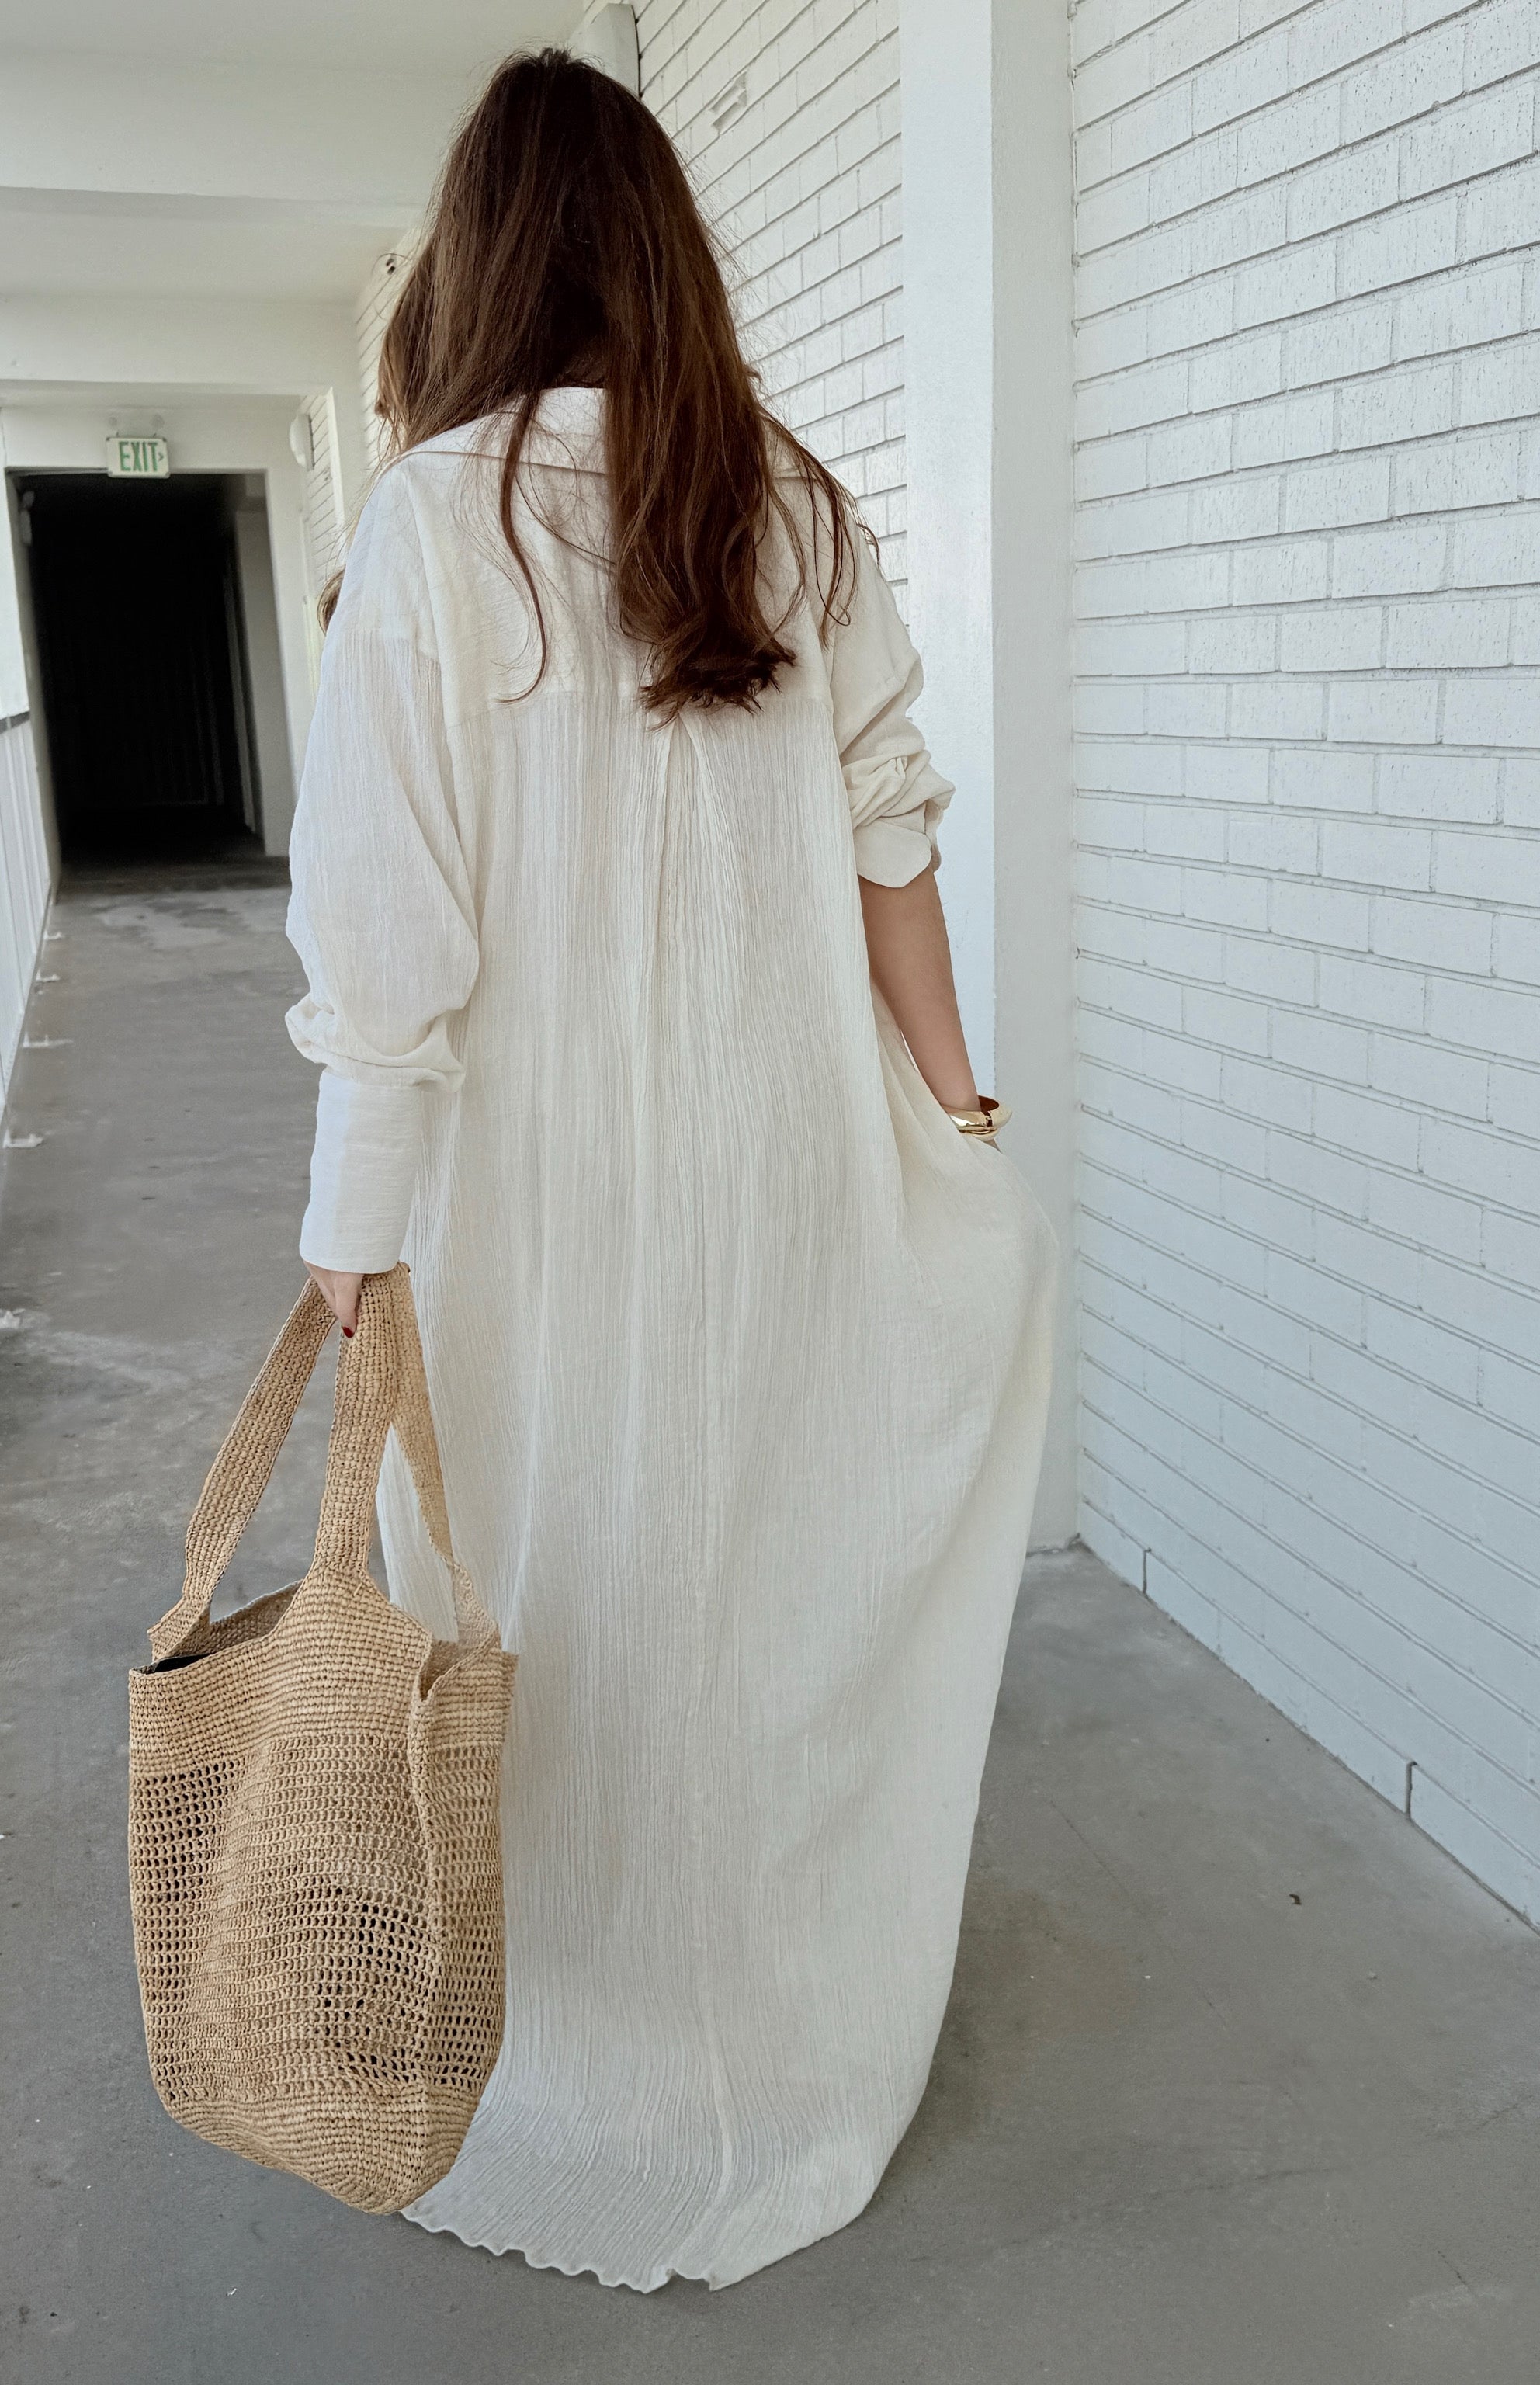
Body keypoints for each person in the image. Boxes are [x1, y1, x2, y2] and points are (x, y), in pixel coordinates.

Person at [286, 47, 1054, 2290]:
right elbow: (896, 838)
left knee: (535, 1619)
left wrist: (353, 1235)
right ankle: (784, 2044)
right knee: (770, 1603)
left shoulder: (429, 524)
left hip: (532, 1214)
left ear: (483, 264)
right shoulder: (784, 505)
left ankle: (572, 2054)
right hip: (787, 1180)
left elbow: (387, 945)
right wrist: (958, 1115)